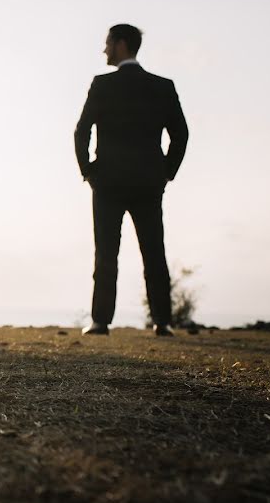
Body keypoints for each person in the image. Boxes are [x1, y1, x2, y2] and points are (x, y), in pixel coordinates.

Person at [75, 24, 189, 336]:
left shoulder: (102, 85)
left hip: (107, 181)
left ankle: (100, 321)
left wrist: (88, 171)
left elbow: (82, 129)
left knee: (106, 252)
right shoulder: (162, 86)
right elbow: (180, 134)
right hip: (148, 182)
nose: (104, 50)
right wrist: (165, 172)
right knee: (154, 251)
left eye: (108, 43)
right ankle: (162, 322)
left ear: (121, 44)